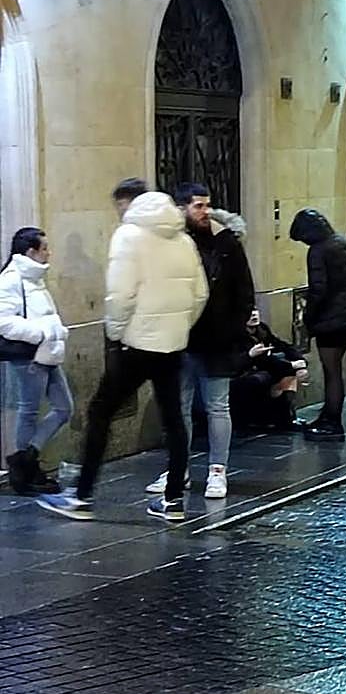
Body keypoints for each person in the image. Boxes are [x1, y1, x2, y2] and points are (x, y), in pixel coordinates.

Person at [44, 192, 208, 522]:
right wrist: (178, 327)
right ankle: (174, 500)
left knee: (100, 411)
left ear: (130, 206)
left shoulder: (129, 236)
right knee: (174, 419)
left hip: (138, 344)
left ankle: (82, 495)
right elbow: (200, 293)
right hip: (172, 344)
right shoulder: (183, 241)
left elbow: (120, 295)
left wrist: (118, 333)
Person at [143, 185, 254, 502]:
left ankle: (218, 470)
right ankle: (178, 468)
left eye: (207, 205)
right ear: (181, 209)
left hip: (216, 338)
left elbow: (243, 289)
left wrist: (232, 329)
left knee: (217, 406)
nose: (205, 211)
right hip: (179, 338)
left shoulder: (227, 242)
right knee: (178, 407)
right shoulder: (172, 242)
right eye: (198, 206)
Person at [0, 228, 72, 496]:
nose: (48, 252)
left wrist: (51, 333)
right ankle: (25, 472)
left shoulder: (34, 276)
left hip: (47, 352)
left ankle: (25, 459)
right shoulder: (11, 279)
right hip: (29, 354)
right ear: (30, 252)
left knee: (64, 408)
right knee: (28, 411)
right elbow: (4, 321)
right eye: (44, 248)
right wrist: (41, 333)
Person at [289, 208, 346, 441]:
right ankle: (328, 417)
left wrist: (309, 319)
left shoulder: (319, 251)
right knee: (335, 370)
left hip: (331, 319)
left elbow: (318, 289)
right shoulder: (341, 242)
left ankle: (332, 421)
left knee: (331, 372)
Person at [230, 310, 308, 432]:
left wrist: (299, 360)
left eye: (255, 311)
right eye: (249, 312)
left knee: (288, 374)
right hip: (242, 372)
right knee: (262, 379)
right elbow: (261, 361)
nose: (254, 314)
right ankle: (264, 420)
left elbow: (282, 346)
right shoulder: (236, 335)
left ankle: (287, 417)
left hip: (264, 368)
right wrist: (292, 365)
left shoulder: (262, 329)